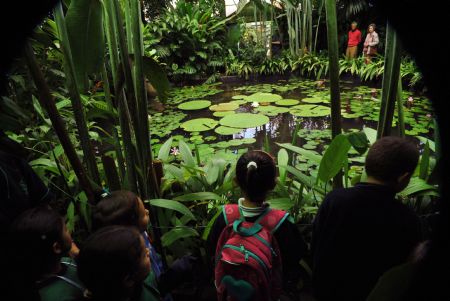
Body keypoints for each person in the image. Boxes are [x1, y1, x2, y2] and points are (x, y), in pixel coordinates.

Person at [312, 136, 422, 301]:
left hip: (327, 292)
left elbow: (316, 244)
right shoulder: (407, 218)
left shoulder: (334, 199)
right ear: (403, 177)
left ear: (367, 165)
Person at [208, 150, 308, 299]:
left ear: (235, 182)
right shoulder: (282, 224)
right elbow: (296, 256)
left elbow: (211, 252)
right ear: (273, 185)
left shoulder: (224, 217)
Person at [92, 191, 195, 299]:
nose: (147, 211)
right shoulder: (131, 258)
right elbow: (151, 285)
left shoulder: (140, 236)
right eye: (144, 214)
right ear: (131, 226)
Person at [7, 206, 84, 301]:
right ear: (57, 247)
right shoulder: (57, 297)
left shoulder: (65, 261)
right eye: (66, 230)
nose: (69, 230)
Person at [77, 226, 160, 301]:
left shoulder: (139, 279)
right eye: (144, 255)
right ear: (128, 280)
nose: (148, 251)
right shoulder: (142, 280)